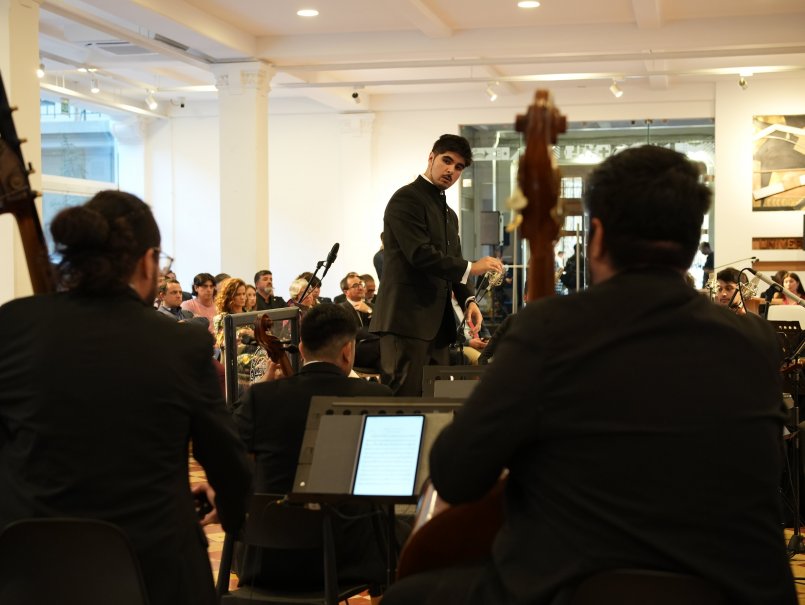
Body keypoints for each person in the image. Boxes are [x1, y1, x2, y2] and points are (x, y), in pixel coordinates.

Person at [382, 146, 795, 604]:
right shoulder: (755, 342)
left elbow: (455, 474)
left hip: (576, 585)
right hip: (733, 590)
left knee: (409, 596)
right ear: (693, 239)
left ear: (596, 237)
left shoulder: (547, 329)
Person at [0, 190, 252, 605]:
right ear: (147, 260)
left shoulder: (12, 324)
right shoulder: (180, 344)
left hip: (32, 573)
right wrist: (228, 504)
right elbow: (226, 458)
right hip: (150, 574)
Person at [232, 303, 392, 601]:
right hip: (346, 561)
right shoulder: (376, 397)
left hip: (266, 560)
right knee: (393, 523)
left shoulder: (261, 398)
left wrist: (261, 391)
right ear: (348, 351)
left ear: (301, 348)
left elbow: (230, 457)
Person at [370, 134, 504, 395]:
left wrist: (468, 301)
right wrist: (472, 267)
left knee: (435, 402)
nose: (451, 171)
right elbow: (419, 254)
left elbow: (450, 259)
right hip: (405, 321)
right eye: (447, 161)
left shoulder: (449, 214)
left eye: (458, 167)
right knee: (402, 401)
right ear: (431, 157)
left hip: (438, 326)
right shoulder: (405, 199)